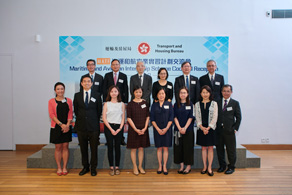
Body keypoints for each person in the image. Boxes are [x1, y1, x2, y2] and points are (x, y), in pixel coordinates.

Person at [73, 75, 102, 176]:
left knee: (94, 149)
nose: (86, 83)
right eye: (84, 81)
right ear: (81, 83)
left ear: (92, 83)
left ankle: (93, 168)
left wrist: (92, 119)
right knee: (83, 149)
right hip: (81, 127)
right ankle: (85, 167)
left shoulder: (97, 95)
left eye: (88, 81)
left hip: (93, 126)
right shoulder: (77, 95)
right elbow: (76, 111)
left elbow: (99, 111)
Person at [216, 84, 242, 174]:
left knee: (231, 150)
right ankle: (222, 166)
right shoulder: (217, 102)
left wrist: (235, 128)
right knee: (220, 149)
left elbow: (239, 117)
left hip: (229, 131)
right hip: (219, 130)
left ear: (231, 92)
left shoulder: (235, 103)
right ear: (221, 92)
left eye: (228, 91)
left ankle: (231, 167)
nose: (226, 93)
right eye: (224, 91)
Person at [48, 82, 73, 176]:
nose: (60, 90)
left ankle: (64, 167)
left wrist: (67, 125)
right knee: (58, 147)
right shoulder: (51, 101)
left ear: (64, 90)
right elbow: (52, 115)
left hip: (67, 126)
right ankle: (59, 167)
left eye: (62, 89)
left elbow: (70, 113)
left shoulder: (69, 100)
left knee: (65, 147)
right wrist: (61, 125)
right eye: (58, 89)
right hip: (57, 127)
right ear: (55, 90)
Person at [194, 85, 218, 176]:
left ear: (210, 93)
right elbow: (197, 117)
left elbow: (215, 117)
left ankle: (210, 167)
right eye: (203, 92)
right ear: (200, 93)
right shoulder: (197, 104)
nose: (205, 94)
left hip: (211, 129)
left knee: (210, 148)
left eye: (207, 92)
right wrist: (202, 127)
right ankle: (204, 167)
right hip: (201, 129)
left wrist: (208, 128)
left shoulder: (214, 103)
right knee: (203, 148)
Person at [103, 59, 128, 145]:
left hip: (120, 101)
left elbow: (125, 89)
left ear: (119, 65)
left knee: (120, 119)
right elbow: (104, 88)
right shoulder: (107, 75)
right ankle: (108, 139)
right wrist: (105, 100)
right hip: (110, 101)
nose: (115, 66)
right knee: (109, 119)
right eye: (113, 64)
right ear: (111, 66)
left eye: (117, 64)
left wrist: (125, 102)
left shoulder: (123, 76)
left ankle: (121, 139)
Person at [126, 86, 150, 175]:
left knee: (141, 148)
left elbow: (148, 116)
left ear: (142, 93)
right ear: (133, 93)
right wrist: (136, 129)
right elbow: (128, 118)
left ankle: (140, 166)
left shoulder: (145, 103)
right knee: (133, 149)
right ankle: (135, 166)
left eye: (140, 92)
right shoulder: (130, 104)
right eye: (136, 92)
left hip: (143, 129)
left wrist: (144, 128)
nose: (138, 94)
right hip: (133, 129)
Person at [102, 86, 125, 176]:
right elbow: (104, 118)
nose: (113, 93)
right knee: (110, 147)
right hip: (109, 127)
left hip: (119, 127)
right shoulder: (106, 104)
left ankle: (117, 167)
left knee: (118, 147)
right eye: (112, 91)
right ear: (109, 93)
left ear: (118, 92)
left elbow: (123, 118)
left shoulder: (122, 104)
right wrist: (111, 129)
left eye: (115, 91)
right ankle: (111, 167)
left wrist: (119, 128)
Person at [150, 88, 173, 175]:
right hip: (157, 130)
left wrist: (166, 128)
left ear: (165, 95)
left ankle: (165, 166)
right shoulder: (154, 105)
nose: (161, 95)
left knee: (166, 148)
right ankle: (160, 166)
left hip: (167, 129)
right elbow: (152, 119)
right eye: (159, 94)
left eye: (163, 93)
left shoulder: (169, 104)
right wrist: (158, 129)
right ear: (157, 95)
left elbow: (171, 118)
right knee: (159, 148)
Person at [173, 87, 195, 174]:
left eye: (184, 93)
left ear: (187, 94)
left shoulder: (191, 104)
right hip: (177, 130)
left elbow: (191, 117)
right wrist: (179, 128)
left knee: (188, 148)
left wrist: (185, 128)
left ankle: (188, 166)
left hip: (188, 130)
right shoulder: (175, 104)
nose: (183, 94)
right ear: (179, 94)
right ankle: (181, 166)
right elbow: (174, 117)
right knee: (178, 148)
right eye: (181, 93)